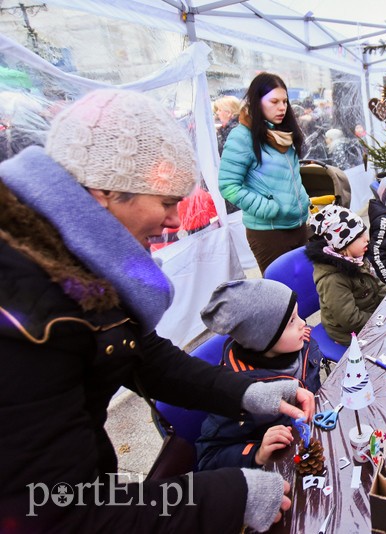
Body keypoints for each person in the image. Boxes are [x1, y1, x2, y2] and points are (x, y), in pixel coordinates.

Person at [0, 89, 314, 533]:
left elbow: (146, 356)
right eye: (167, 201)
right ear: (103, 192)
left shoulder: (72, 260)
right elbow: (56, 511)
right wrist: (228, 495)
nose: (175, 221)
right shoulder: (26, 315)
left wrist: (246, 392)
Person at [196, 279, 322, 471]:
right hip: (283, 469)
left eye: (298, 316)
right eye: (291, 321)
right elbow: (208, 458)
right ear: (263, 338)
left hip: (314, 440)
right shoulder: (236, 393)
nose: (303, 324)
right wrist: (257, 452)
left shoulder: (302, 345)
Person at [218, 73, 310, 274]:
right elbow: (228, 185)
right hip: (269, 233)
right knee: (285, 298)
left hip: (299, 225)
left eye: (285, 101)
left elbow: (291, 178)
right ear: (257, 102)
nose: (282, 107)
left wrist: (303, 201)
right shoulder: (242, 137)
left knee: (310, 290)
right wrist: (267, 208)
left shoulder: (284, 133)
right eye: (274, 101)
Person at [305, 204, 386, 344]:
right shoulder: (332, 279)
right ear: (343, 244)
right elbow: (350, 320)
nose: (366, 239)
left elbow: (378, 285)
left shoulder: (356, 258)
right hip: (348, 332)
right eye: (360, 236)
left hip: (371, 315)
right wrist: (381, 319)